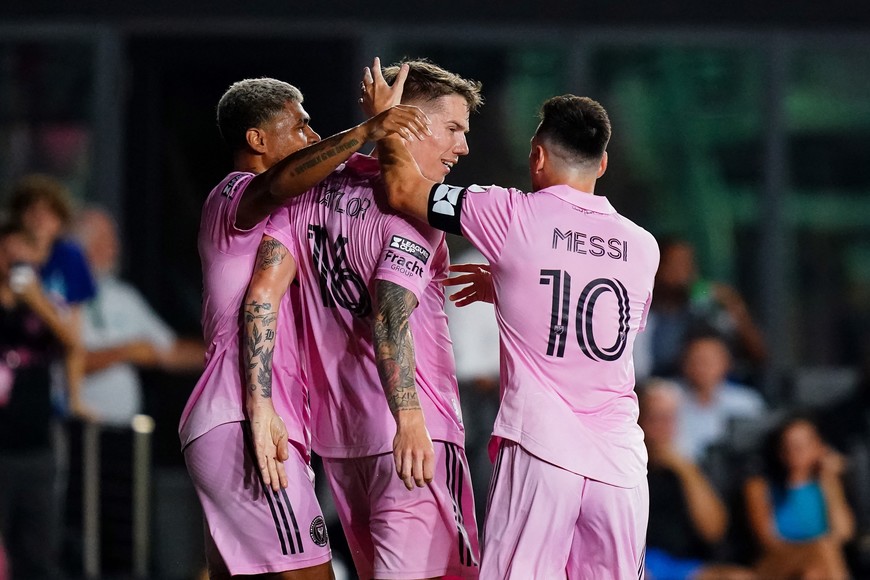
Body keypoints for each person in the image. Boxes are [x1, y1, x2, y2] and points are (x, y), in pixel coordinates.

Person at [379, 90, 659, 578]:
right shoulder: (643, 246)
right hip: (621, 467)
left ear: (537, 156)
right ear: (604, 163)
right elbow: (591, 316)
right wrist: (513, 284)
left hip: (542, 451)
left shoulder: (509, 213)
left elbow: (404, 189)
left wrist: (386, 121)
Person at [178, 71, 430, 579]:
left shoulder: (290, 217)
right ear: (257, 140)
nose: (313, 137)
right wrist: (365, 131)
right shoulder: (235, 195)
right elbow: (278, 183)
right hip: (245, 418)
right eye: (301, 126)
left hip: (241, 422)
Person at [243, 58, 483, 579]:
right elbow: (390, 316)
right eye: (453, 128)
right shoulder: (418, 211)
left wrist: (259, 404)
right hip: (414, 438)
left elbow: (263, 292)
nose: (463, 147)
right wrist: (410, 420)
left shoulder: (310, 190)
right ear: (411, 123)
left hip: (341, 441)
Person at [0, 222, 82, 579]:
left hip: (36, 446)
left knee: (37, 554)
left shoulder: (43, 304)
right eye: (8, 253)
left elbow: (73, 342)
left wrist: (36, 301)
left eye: (23, 254)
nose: (14, 262)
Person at [73, 206, 204, 426]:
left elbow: (169, 350)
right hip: (78, 428)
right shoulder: (62, 295)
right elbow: (67, 364)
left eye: (113, 240)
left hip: (126, 431)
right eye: (103, 240)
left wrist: (226, 355)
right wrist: (126, 352)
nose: (114, 248)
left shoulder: (123, 296)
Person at [639, 379, 756, 580]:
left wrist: (686, 470)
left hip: (685, 565)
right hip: (639, 561)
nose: (663, 426)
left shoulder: (689, 465)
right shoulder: (624, 467)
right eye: (655, 418)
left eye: (669, 418)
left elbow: (714, 531)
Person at [6, 173, 96, 419]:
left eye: (48, 213)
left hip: (45, 377)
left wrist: (75, 399)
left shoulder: (69, 257)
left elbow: (73, 339)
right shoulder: (7, 254)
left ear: (60, 220)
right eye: (32, 211)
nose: (39, 220)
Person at [744, 414, 854, 580]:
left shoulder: (825, 483)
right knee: (823, 551)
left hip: (818, 565)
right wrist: (812, 550)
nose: (796, 451)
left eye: (804, 444)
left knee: (813, 572)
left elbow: (843, 532)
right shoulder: (759, 487)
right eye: (789, 445)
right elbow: (769, 542)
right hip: (777, 562)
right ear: (780, 451)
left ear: (820, 447)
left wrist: (829, 481)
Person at [640, 238, 767, 381]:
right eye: (674, 264)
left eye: (688, 264)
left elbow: (758, 354)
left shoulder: (705, 310)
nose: (682, 272)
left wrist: (734, 306)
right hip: (655, 391)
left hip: (710, 393)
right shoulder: (638, 310)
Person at [675, 333, 767, 462]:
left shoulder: (746, 402)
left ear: (726, 363)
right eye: (696, 359)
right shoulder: (668, 399)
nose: (702, 367)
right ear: (684, 363)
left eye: (708, 361)